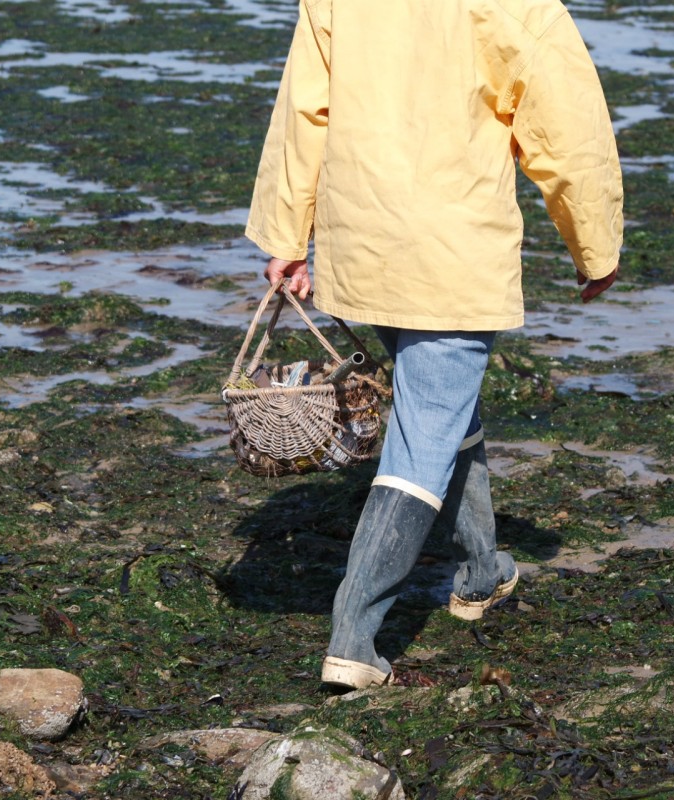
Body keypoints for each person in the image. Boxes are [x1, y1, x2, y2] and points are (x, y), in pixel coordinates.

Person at [244, 0, 623, 689]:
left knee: (440, 404)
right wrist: (594, 244)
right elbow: (567, 131)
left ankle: (482, 571)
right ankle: (354, 637)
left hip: (362, 243)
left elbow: (304, 112)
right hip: (451, 249)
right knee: (422, 436)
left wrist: (286, 233)